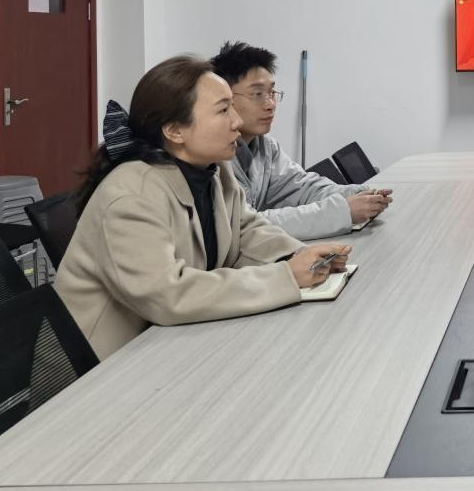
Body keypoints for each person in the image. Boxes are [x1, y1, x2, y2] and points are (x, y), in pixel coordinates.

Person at [55, 55, 350, 360]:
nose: (237, 121)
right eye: (223, 110)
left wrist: (299, 256)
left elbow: (246, 230)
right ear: (174, 131)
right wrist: (285, 277)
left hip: (170, 343)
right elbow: (167, 294)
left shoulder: (214, 170)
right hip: (102, 365)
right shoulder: (132, 195)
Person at [210, 42, 391, 241]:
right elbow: (244, 227)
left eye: (272, 93)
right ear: (225, 99)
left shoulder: (266, 146)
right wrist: (343, 212)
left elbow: (302, 188)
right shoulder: (211, 158)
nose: (270, 104)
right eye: (257, 94)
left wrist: (360, 194)